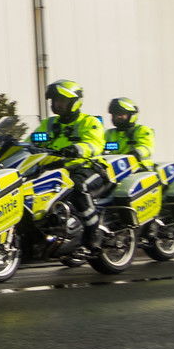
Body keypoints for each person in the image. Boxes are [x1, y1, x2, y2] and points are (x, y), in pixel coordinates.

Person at [35, 80, 109, 250]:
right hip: (57, 169)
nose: (58, 105)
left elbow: (95, 144)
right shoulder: (49, 124)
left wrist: (77, 148)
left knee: (77, 187)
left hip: (88, 167)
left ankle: (93, 232)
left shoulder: (89, 122)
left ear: (75, 102)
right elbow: (32, 140)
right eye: (55, 101)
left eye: (62, 101)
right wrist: (17, 145)